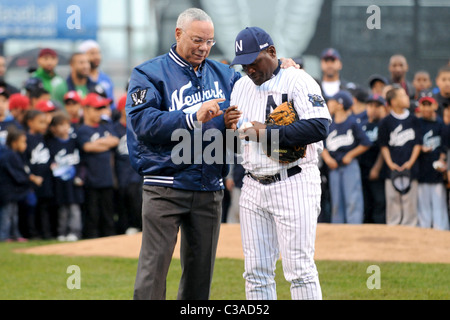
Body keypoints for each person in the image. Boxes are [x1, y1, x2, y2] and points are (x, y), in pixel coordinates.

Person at [127, 8, 298, 301]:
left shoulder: (224, 74)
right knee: (153, 270)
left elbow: (256, 74)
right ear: (178, 34)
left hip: (209, 187)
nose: (204, 47)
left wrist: (280, 65)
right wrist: (192, 117)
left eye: (209, 41)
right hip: (165, 184)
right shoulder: (148, 73)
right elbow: (143, 124)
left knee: (200, 274)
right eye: (197, 40)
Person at [228, 26, 331, 300]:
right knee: (256, 273)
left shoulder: (299, 80)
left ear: (272, 52)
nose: (249, 68)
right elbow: (238, 140)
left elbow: (320, 127)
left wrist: (269, 133)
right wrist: (229, 129)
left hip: (293, 181)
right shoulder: (239, 87)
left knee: (299, 270)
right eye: (244, 63)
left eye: (254, 61)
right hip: (252, 185)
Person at [321, 90, 371, 224]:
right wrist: (327, 158)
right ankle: (338, 232)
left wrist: (350, 155)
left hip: (350, 165)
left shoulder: (352, 122)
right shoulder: (328, 124)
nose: (329, 104)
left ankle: (354, 229)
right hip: (334, 166)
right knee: (336, 201)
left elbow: (366, 143)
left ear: (340, 105)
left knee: (352, 199)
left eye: (332, 101)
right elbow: (321, 144)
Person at [76, 93, 119, 239]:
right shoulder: (82, 130)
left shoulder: (105, 125)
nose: (100, 111)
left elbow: (115, 141)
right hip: (91, 180)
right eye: (96, 108)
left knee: (108, 214)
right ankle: (91, 242)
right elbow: (87, 147)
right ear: (86, 109)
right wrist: (104, 143)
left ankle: (109, 241)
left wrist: (98, 143)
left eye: (102, 108)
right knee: (92, 215)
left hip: (107, 179)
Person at [378, 86, 422, 227]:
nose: (406, 98)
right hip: (392, 169)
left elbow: (417, 144)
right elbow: (384, 145)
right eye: (402, 96)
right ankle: (393, 227)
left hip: (410, 168)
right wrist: (390, 163)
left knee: (410, 200)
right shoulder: (386, 122)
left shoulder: (413, 120)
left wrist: (410, 162)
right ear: (394, 101)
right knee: (393, 200)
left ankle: (409, 228)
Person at [0, 127, 43, 242]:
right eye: (23, 142)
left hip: (13, 192)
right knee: (7, 214)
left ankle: (15, 234)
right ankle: (4, 236)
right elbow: (18, 174)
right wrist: (30, 179)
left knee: (14, 213)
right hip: (7, 191)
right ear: (14, 142)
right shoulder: (8, 156)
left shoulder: (15, 155)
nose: (25, 145)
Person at [46, 112, 84, 241]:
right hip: (60, 181)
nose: (64, 127)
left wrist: (81, 176)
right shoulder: (52, 143)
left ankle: (75, 232)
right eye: (60, 125)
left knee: (74, 208)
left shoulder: (74, 141)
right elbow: (51, 162)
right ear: (54, 128)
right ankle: (62, 232)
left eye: (66, 124)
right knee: (62, 209)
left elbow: (82, 162)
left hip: (74, 181)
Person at [416, 93, 449, 230]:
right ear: (420, 107)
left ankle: (440, 230)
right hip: (422, 169)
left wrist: (442, 161)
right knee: (423, 205)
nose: (426, 108)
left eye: (429, 104)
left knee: (438, 204)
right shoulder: (417, 123)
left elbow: (444, 147)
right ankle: (423, 231)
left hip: (436, 172)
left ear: (435, 106)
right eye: (423, 105)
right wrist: (420, 148)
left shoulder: (441, 124)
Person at [113, 95, 142, 234]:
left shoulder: (138, 125)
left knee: (136, 197)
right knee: (122, 198)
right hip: (121, 169)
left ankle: (137, 225)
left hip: (135, 170)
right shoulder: (115, 128)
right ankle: (124, 227)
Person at [23, 109, 54, 239]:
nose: (44, 125)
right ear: (30, 122)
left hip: (45, 178)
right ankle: (33, 233)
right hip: (33, 179)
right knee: (32, 207)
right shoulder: (26, 138)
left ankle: (46, 233)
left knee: (45, 207)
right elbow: (23, 160)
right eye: (40, 122)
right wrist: (31, 177)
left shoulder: (44, 137)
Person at [359, 94, 388, 223]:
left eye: (377, 106)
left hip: (379, 170)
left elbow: (384, 148)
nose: (374, 109)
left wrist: (376, 168)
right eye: (370, 105)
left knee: (380, 201)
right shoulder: (361, 124)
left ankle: (380, 229)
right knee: (365, 202)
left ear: (384, 108)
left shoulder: (384, 124)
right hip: (362, 168)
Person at [78, 40, 115, 109]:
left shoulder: (106, 79)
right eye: (92, 53)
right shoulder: (79, 79)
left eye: (98, 53)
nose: (97, 57)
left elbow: (112, 105)